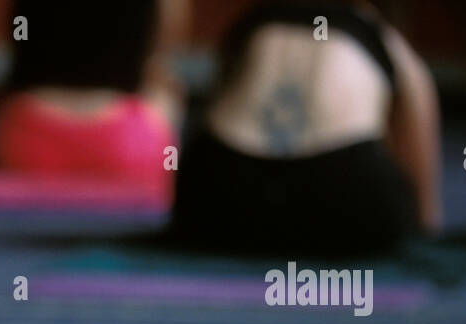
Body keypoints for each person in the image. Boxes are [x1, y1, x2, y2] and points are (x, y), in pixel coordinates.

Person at [171, 0, 441, 253]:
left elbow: (213, 108)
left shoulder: (252, 24)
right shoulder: (378, 32)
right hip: (345, 189)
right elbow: (420, 171)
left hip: (222, 189)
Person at [0, 0, 188, 193]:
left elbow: (17, 36)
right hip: (131, 145)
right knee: (165, 87)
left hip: (25, 139)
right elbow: (164, 46)